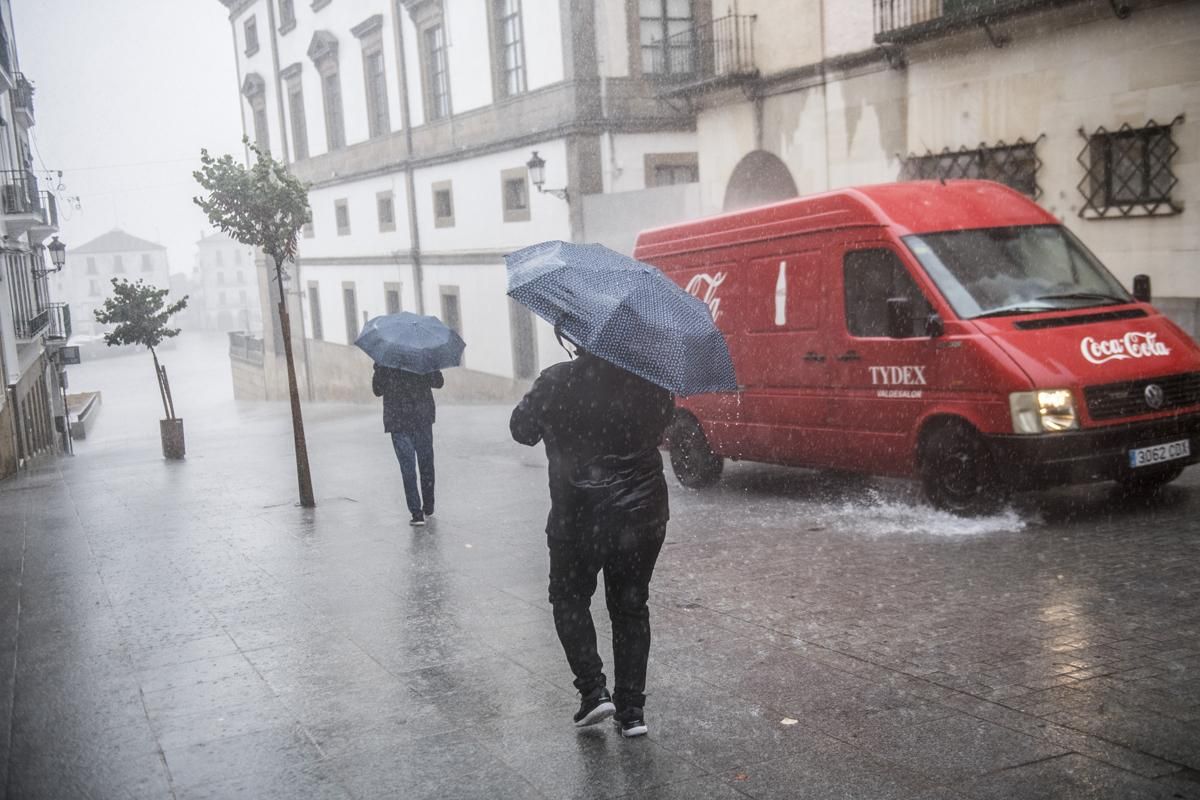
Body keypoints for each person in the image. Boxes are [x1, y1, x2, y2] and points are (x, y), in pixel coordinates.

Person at [510, 347, 674, 738]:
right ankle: (632, 712)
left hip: (579, 516)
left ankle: (593, 691)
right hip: (643, 513)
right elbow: (663, 424)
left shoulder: (556, 381)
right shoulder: (648, 377)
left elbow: (521, 430)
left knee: (569, 597)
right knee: (631, 606)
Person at [373, 364, 443, 526]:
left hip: (398, 419)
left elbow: (377, 390)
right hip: (421, 416)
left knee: (407, 467)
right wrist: (431, 367)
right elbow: (438, 382)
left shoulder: (386, 360)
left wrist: (379, 369)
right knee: (426, 462)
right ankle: (428, 504)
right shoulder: (422, 355)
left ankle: (416, 513)